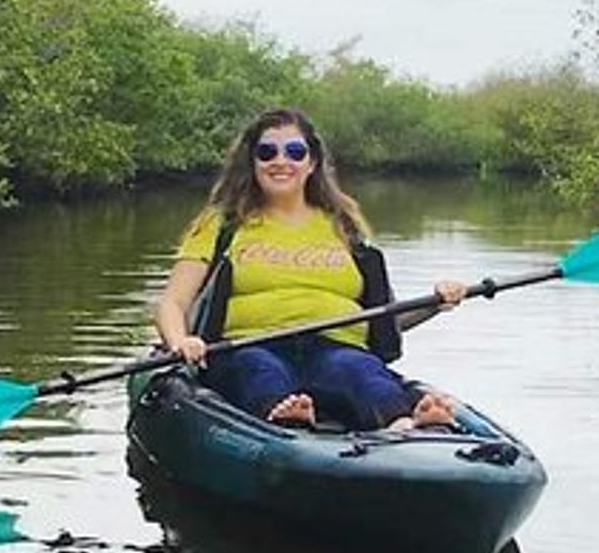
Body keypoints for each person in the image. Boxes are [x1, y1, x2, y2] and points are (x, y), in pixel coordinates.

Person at [152, 108, 465, 431]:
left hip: (337, 347)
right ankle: (285, 418)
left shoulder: (345, 223)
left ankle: (405, 424)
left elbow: (385, 317)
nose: (280, 161)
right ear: (252, 162)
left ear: (312, 162)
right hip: (248, 346)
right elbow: (172, 303)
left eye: (295, 152)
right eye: (267, 152)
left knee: (360, 372)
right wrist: (181, 342)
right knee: (260, 370)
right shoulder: (221, 223)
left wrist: (436, 302)